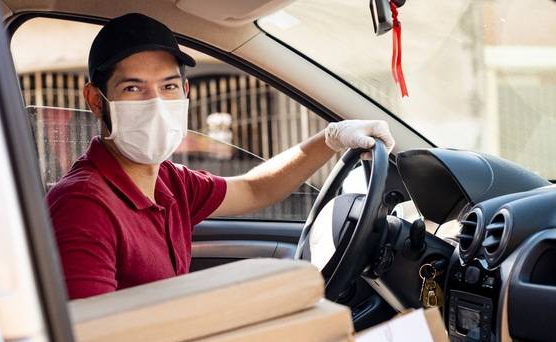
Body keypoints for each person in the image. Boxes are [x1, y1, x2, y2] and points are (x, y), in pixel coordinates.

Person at [47, 13, 395, 300]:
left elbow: (255, 188)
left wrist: (331, 138)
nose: (156, 104)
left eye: (168, 86)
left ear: (185, 91)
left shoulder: (170, 181)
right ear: (96, 100)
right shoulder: (83, 205)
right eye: (133, 88)